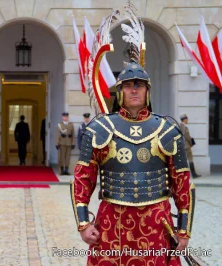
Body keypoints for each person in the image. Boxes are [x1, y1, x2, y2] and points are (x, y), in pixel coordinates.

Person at [72, 57, 195, 264]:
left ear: (148, 91)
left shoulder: (167, 130)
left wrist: (183, 230)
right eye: (128, 86)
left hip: (157, 225)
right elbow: (82, 180)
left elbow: (183, 183)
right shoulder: (99, 130)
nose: (134, 90)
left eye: (140, 86)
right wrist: (83, 223)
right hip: (112, 224)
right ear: (120, 92)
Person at [180, 114, 201, 178]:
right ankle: (194, 174)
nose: (187, 120)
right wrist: (191, 143)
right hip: (186, 145)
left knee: (183, 160)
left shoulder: (179, 126)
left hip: (182, 145)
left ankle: (183, 174)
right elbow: (187, 137)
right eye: (187, 119)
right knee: (190, 159)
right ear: (185, 119)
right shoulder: (183, 126)